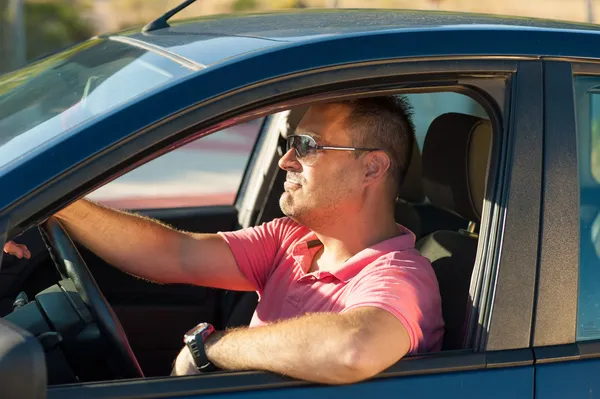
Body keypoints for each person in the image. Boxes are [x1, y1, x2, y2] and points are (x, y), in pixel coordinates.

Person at [3, 96, 444, 385]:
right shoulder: (291, 241)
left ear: (371, 169)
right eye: (290, 143)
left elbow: (354, 347)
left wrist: (210, 348)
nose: (286, 159)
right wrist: (54, 202)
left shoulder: (401, 275)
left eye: (308, 145)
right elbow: (173, 255)